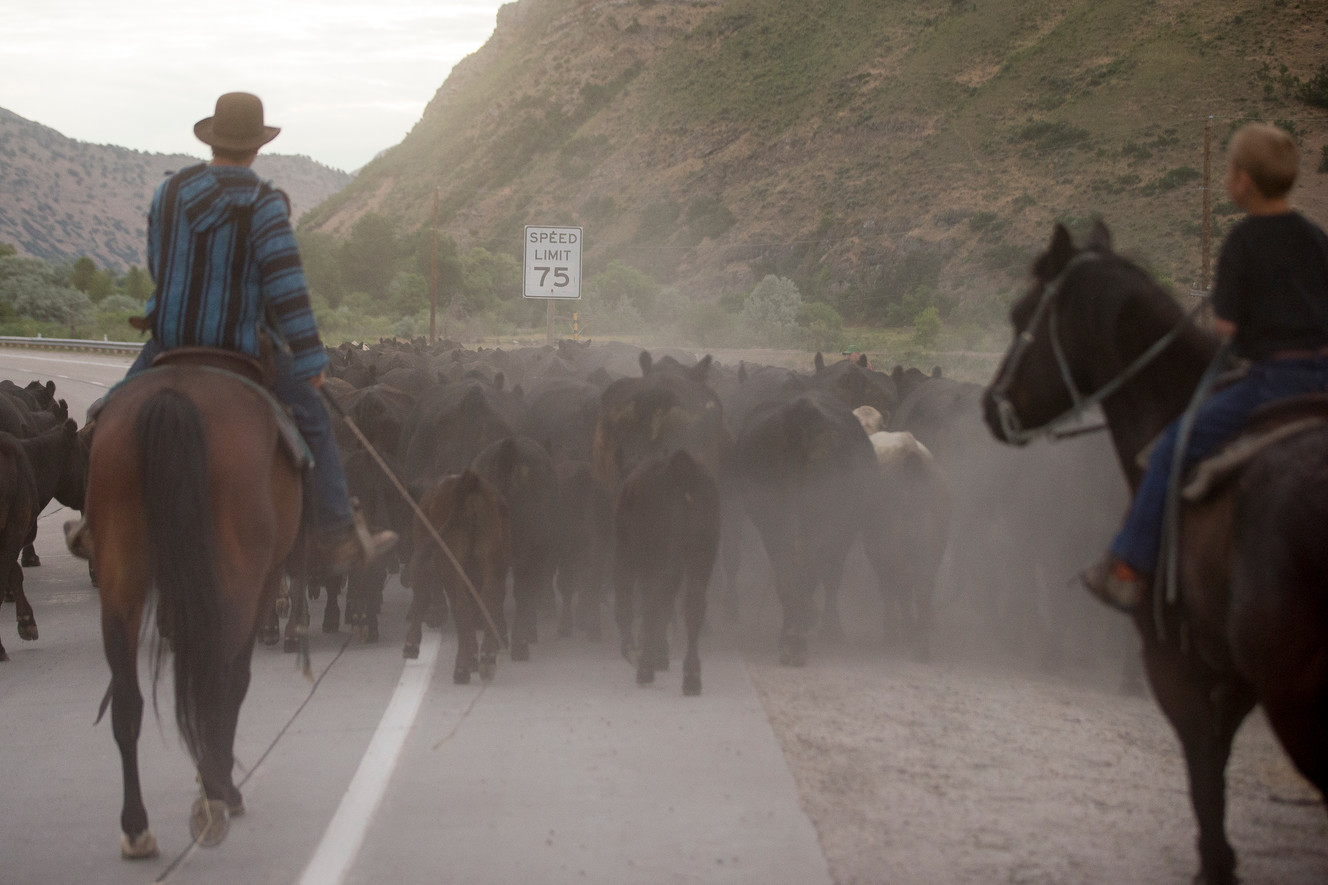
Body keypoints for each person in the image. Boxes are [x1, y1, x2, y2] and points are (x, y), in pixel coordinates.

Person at [124, 92, 396, 574]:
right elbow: (287, 288)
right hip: (241, 346)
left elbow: (156, 263)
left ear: (213, 142)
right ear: (256, 147)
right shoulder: (265, 204)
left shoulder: (169, 193)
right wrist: (311, 363)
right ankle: (335, 532)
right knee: (313, 418)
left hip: (169, 341)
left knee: (109, 415)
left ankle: (96, 523)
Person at [1083, 122, 1328, 610]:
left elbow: (1227, 327)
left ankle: (1128, 566)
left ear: (1242, 182)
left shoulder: (1244, 242)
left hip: (1267, 383)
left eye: (1231, 171)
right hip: (1321, 381)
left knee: (1170, 449)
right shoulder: (1317, 239)